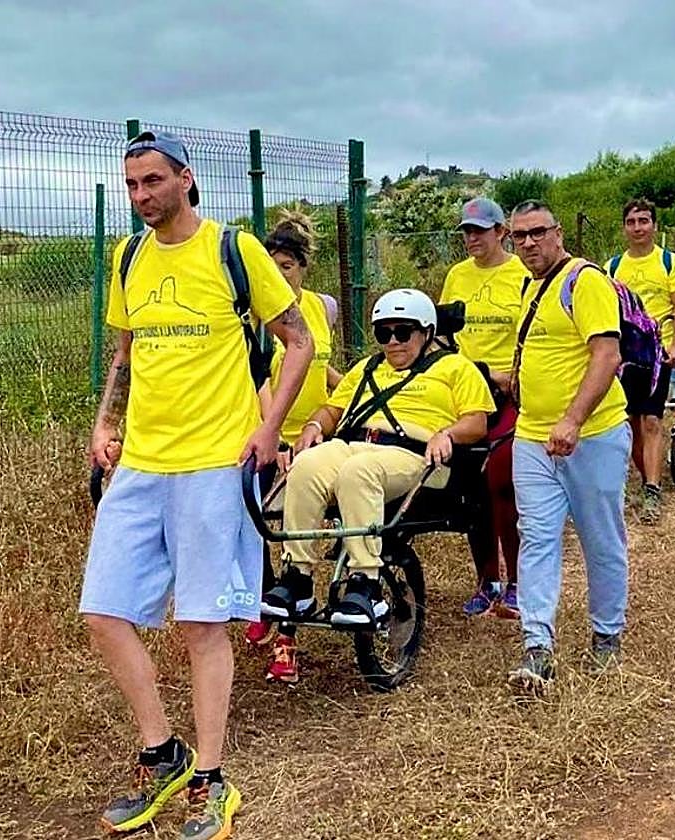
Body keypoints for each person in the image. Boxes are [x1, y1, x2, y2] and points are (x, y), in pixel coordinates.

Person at [83, 131, 314, 839]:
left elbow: (297, 340)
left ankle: (212, 781)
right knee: (102, 610)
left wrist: (269, 427)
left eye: (152, 182)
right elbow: (124, 351)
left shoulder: (234, 250)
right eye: (130, 185)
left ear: (185, 179)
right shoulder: (127, 257)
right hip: (143, 465)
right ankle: (164, 752)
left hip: (216, 462)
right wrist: (103, 422)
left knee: (202, 624)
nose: (141, 197)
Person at [267, 289, 494, 627]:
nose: (393, 342)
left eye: (403, 332)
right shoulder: (366, 368)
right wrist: (315, 424)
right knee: (307, 465)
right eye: (383, 333)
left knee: (360, 471)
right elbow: (333, 409)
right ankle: (297, 579)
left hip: (414, 453)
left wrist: (447, 434)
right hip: (353, 443)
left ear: (426, 332)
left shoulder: (456, 368)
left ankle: (366, 583)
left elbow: (477, 420)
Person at [505, 200, 632, 694]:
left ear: (558, 233)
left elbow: (607, 354)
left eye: (537, 233)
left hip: (592, 435)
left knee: (601, 537)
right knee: (536, 537)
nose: (529, 243)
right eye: (520, 236)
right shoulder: (526, 285)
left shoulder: (586, 281)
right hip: (532, 437)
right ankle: (538, 647)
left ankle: (606, 637)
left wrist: (574, 420)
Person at [243, 209, 343, 685]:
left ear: (303, 267)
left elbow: (323, 369)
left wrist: (355, 395)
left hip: (321, 433)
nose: (278, 273)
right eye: (271, 264)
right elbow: (259, 377)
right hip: (276, 437)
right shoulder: (260, 317)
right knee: (271, 529)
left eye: (286, 265)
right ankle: (279, 624)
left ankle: (336, 596)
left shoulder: (323, 309)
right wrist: (276, 436)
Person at [438, 197, 524, 618]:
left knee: (502, 482)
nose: (472, 238)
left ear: (501, 232)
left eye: (479, 230)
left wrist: (514, 376)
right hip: (468, 392)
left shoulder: (521, 274)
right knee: (471, 489)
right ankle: (487, 579)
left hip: (509, 391)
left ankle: (517, 584)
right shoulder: (456, 276)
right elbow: (445, 334)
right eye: (466, 231)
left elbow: (534, 333)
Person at [606, 198, 675, 524]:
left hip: (658, 354)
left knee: (652, 421)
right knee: (629, 426)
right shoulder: (612, 267)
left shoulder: (670, 262)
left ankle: (652, 490)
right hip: (625, 358)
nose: (638, 227)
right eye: (632, 222)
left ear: (654, 225)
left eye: (644, 221)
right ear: (625, 227)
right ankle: (643, 478)